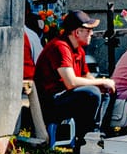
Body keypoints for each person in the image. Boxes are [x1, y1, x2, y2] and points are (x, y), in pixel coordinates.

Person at [34, 11, 113, 144]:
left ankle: (96, 134)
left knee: (105, 92)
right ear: (77, 32)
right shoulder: (60, 47)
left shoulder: (78, 49)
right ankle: (84, 140)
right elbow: (71, 82)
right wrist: (103, 81)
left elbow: (86, 75)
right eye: (88, 31)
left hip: (67, 96)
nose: (92, 34)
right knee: (91, 93)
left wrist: (103, 85)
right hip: (52, 102)